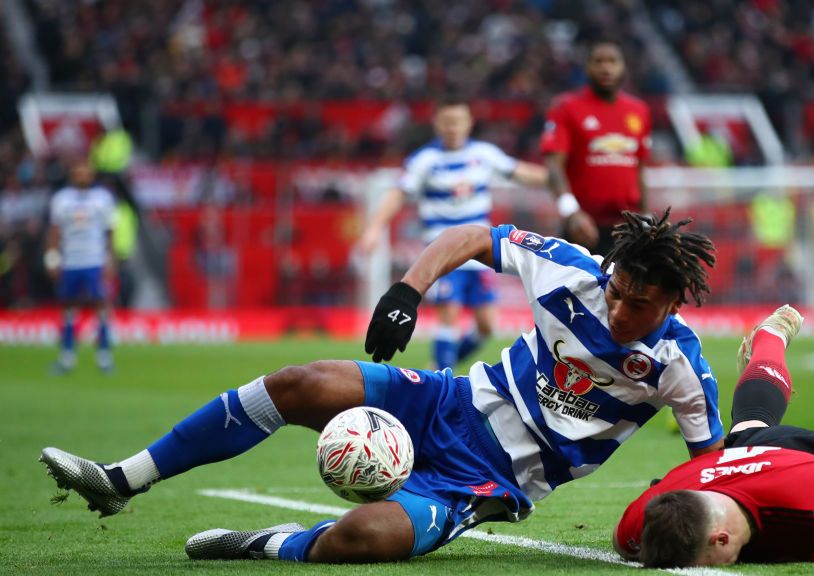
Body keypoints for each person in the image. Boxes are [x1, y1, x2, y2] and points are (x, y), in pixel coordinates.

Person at [41, 209, 725, 564]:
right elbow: (471, 237)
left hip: (488, 482)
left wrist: (714, 525)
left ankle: (262, 543)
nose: (618, 309)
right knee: (300, 381)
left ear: (673, 304)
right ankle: (122, 478)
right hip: (448, 401)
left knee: (363, 539)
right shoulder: (573, 270)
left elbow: (713, 467)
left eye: (639, 304)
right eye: (618, 291)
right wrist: (408, 290)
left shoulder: (679, 368)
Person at [614, 305, 814, 567]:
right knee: (747, 428)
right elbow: (621, 540)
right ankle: (769, 339)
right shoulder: (652, 521)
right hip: (748, 455)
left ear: (721, 539)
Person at [356, 95, 548, 370]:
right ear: (436, 124)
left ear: (469, 123)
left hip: (480, 252)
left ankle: (437, 370)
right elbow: (398, 194)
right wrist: (374, 229)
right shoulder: (425, 160)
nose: (452, 127)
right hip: (443, 252)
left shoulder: (483, 154)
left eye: (457, 121)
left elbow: (521, 172)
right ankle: (443, 383)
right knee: (449, 316)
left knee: (486, 325)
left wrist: (562, 179)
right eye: (446, 121)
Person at [541, 40, 652, 255]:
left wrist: (646, 215)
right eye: (598, 61)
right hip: (583, 227)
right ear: (587, 67)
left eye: (612, 61)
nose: (606, 68)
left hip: (628, 229)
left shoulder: (639, 111)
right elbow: (554, 166)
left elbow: (639, 169)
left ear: (623, 67)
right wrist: (571, 213)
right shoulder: (566, 107)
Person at [45, 161, 117, 373]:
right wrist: (52, 258)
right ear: (72, 174)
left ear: (92, 174)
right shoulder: (61, 199)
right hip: (70, 260)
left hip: (94, 259)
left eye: (85, 172)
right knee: (68, 306)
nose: (82, 176)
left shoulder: (102, 198)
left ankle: (104, 356)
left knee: (101, 304)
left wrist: (110, 259)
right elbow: (54, 231)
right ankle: (67, 357)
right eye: (78, 172)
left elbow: (109, 231)